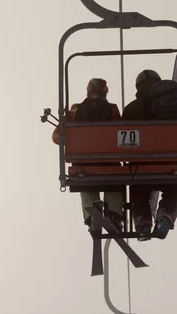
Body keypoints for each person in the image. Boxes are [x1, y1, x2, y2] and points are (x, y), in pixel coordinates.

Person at [121, 69, 177, 241]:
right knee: (174, 189)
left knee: (138, 190)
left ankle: (143, 222)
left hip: (140, 166)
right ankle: (165, 215)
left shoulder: (131, 109)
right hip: (172, 164)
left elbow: (119, 140)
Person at [52, 78, 125, 230]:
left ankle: (92, 218)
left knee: (86, 185)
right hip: (110, 164)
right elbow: (121, 132)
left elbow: (56, 137)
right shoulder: (112, 109)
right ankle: (113, 214)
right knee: (115, 185)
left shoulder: (75, 110)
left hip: (82, 165)